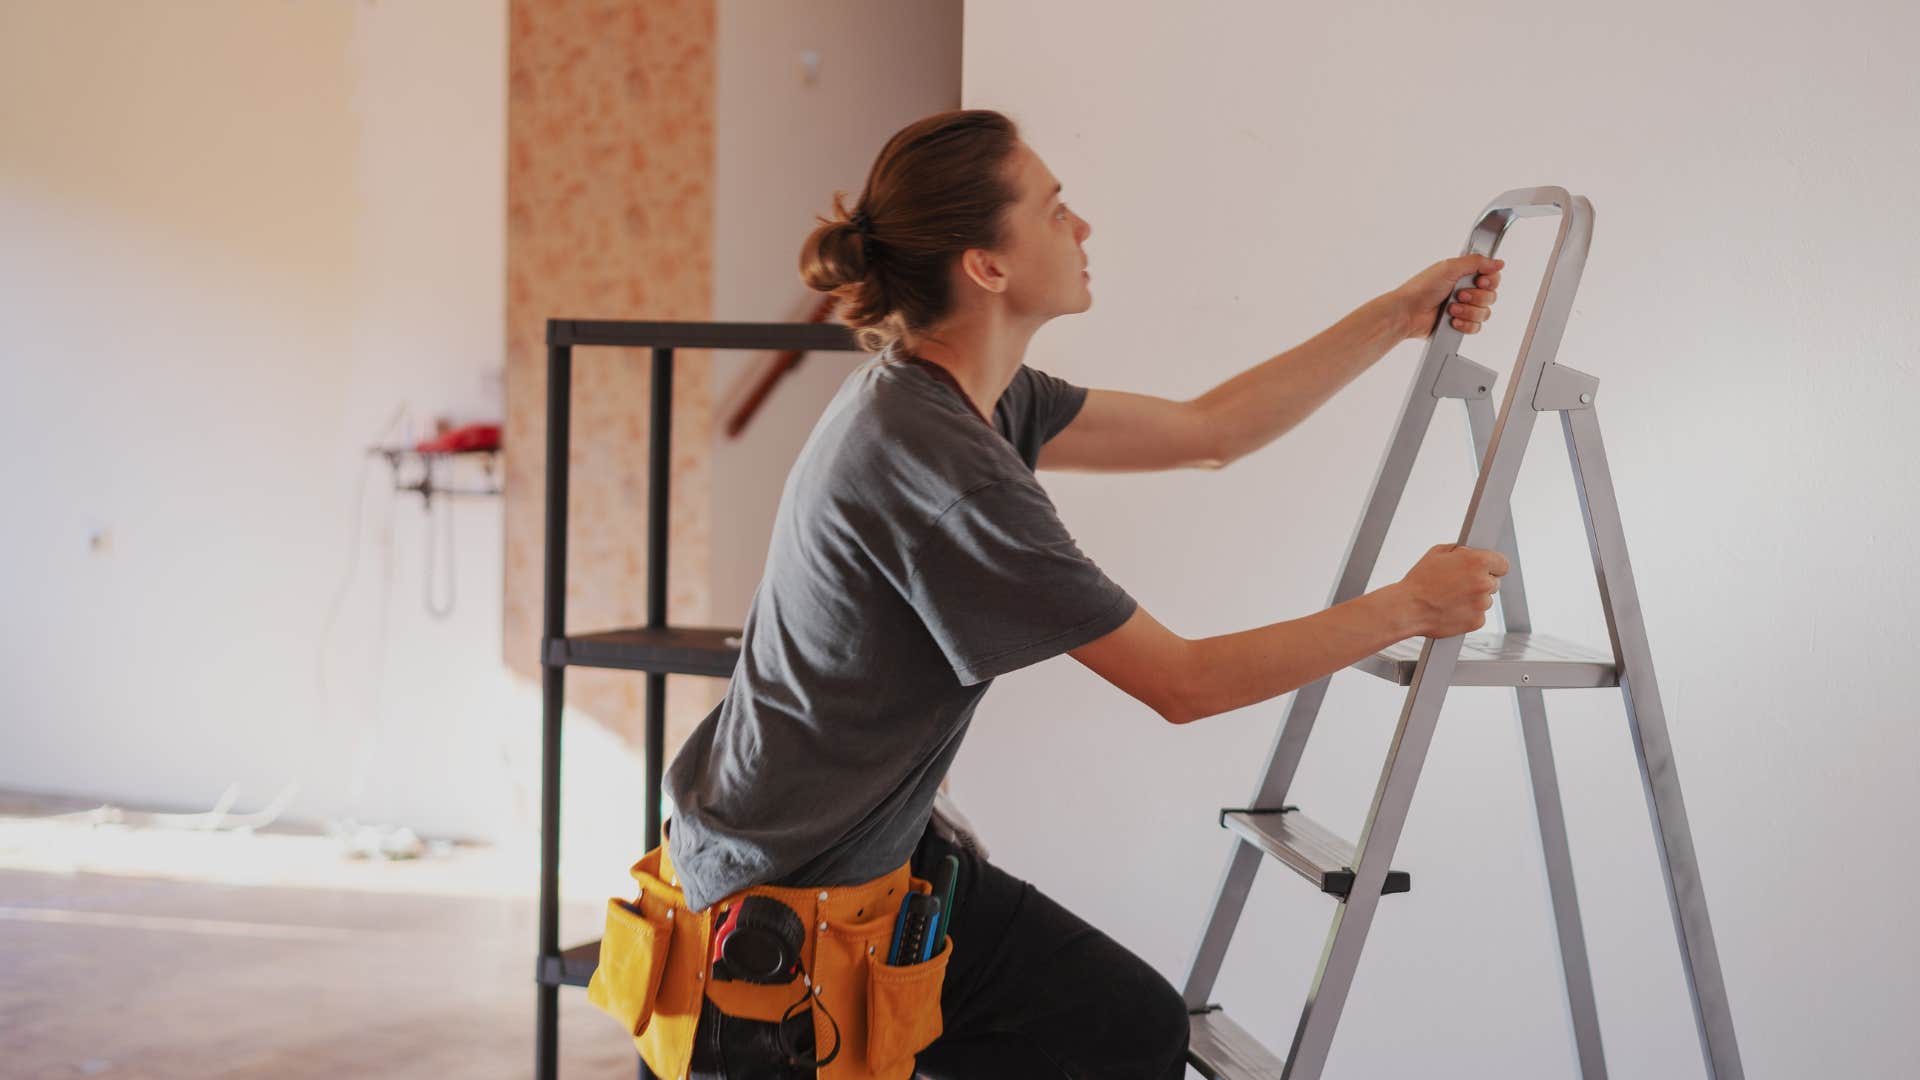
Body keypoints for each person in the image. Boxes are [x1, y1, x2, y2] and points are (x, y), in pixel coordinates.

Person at [658, 109, 1509, 1079]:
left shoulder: (952, 395)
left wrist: (1398, 315)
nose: (1085, 228)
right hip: (789, 910)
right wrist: (1408, 606)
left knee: (1123, 1025)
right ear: (988, 265)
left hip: (848, 855)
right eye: (1057, 209)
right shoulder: (946, 466)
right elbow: (1182, 683)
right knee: (1123, 1031)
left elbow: (1209, 431)